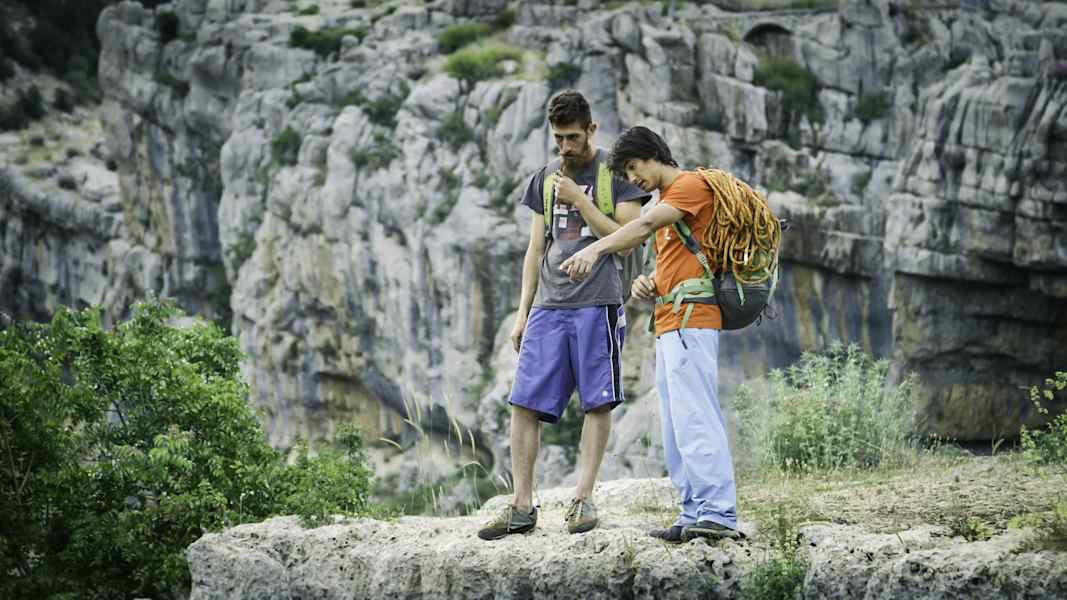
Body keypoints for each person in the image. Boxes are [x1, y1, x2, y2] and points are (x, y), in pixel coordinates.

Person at [477, 91, 651, 541]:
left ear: (592, 129)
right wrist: (522, 313)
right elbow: (536, 248)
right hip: (548, 306)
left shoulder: (617, 173)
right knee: (523, 402)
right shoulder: (545, 178)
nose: (565, 146)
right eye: (558, 138)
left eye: (573, 137)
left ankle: (583, 498)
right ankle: (521, 506)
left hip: (598, 302)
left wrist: (581, 200)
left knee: (597, 401)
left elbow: (629, 237)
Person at [560, 126, 740, 542]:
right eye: (625, 172)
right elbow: (676, 261)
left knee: (695, 415)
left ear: (653, 155)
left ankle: (718, 512)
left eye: (634, 167)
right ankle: (692, 511)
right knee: (676, 425)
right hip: (671, 320)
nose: (633, 178)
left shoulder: (689, 186)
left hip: (693, 319)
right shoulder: (667, 201)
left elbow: (642, 227)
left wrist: (594, 248)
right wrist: (650, 282)